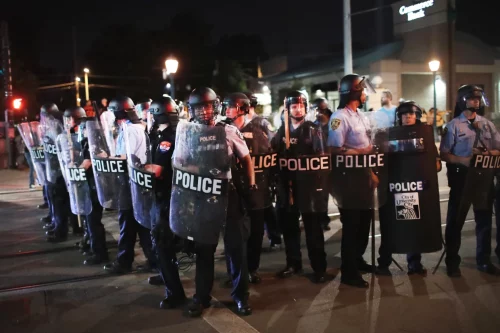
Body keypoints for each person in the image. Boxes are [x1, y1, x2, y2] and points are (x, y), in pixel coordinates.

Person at [170, 87, 253, 317]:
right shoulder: (187, 133)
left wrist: (250, 184)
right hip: (202, 198)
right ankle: (201, 297)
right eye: (199, 107)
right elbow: (179, 163)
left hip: (229, 196)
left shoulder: (228, 130)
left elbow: (245, 158)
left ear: (215, 106)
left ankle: (241, 297)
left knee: (236, 250)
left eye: (208, 106)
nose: (204, 111)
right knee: (204, 250)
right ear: (192, 110)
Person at [440, 85, 500, 277]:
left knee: (483, 222)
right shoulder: (453, 126)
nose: (476, 101)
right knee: (455, 222)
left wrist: (488, 153)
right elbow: (444, 154)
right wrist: (463, 159)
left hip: (484, 178)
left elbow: (499, 148)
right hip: (462, 179)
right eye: (472, 98)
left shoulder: (487, 124)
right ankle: (452, 262)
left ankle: (484, 260)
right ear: (463, 100)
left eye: (478, 98)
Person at [376, 101, 441, 276]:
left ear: (417, 116)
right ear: (399, 117)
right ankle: (383, 263)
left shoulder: (425, 134)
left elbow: (435, 164)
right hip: (395, 188)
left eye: (411, 114)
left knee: (413, 226)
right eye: (404, 114)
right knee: (391, 225)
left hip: (415, 189)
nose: (407, 117)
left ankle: (414, 264)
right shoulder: (389, 134)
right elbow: (381, 160)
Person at [272, 90, 329, 284]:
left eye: (301, 106)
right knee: (289, 227)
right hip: (288, 187)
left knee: (313, 229)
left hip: (309, 188)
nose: (298, 109)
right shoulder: (282, 131)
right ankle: (293, 263)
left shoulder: (313, 129)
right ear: (287, 109)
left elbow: (322, 158)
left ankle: (319, 268)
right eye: (294, 106)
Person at [328, 74, 378, 288]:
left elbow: (369, 145)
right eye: (363, 90)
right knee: (351, 224)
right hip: (347, 178)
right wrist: (360, 151)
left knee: (365, 222)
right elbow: (334, 149)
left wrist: (371, 171)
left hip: (363, 174)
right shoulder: (339, 117)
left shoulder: (361, 116)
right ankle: (349, 271)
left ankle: (357, 260)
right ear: (355, 92)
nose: (365, 93)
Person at [222, 92, 276, 284]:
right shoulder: (222, 130)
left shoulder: (258, 129)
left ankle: (251, 269)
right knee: (233, 235)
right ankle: (234, 273)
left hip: (256, 189)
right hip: (233, 190)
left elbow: (270, 157)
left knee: (255, 233)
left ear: (242, 108)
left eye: (231, 106)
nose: (226, 109)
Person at [102, 96, 156, 274]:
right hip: (135, 182)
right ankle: (153, 260)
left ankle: (124, 262)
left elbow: (130, 157)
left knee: (127, 223)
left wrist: (108, 159)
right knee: (140, 223)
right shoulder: (133, 127)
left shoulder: (131, 130)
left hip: (130, 181)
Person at [147, 97, 186, 309]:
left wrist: (137, 167)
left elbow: (158, 170)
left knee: (163, 244)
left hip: (166, 197)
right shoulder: (159, 134)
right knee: (158, 242)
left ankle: (175, 292)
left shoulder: (167, 138)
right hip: (159, 196)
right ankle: (165, 275)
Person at [244, 92, 282, 249]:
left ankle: (274, 236)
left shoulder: (262, 123)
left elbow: (272, 143)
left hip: (262, 168)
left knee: (265, 206)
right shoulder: (235, 123)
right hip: (247, 168)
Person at [312, 97, 334, 231]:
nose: (319, 113)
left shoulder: (333, 123)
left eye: (321, 110)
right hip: (320, 165)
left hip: (334, 163)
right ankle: (322, 219)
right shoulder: (313, 125)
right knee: (321, 195)